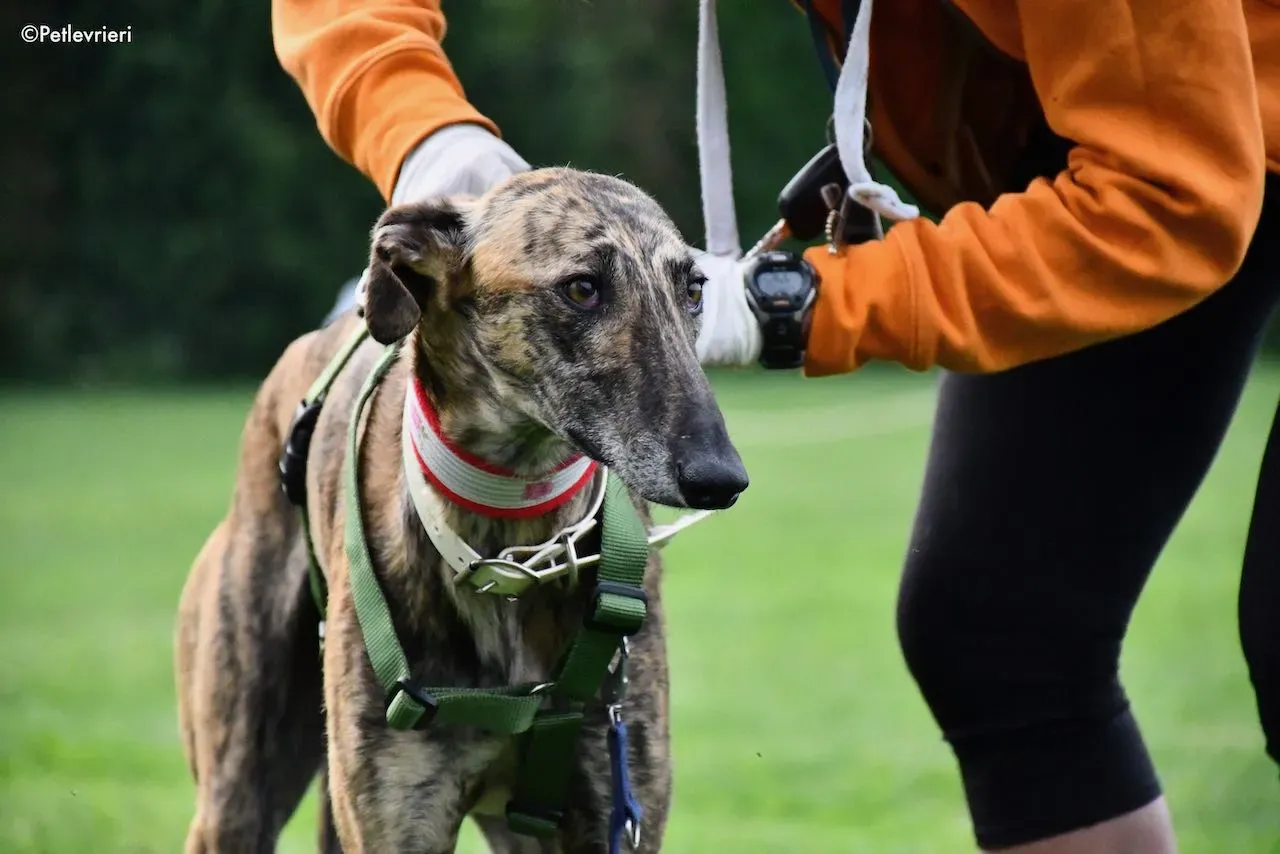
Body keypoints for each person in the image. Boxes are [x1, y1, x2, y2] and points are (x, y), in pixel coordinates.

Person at [271, 0, 1280, 850]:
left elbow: (1169, 191)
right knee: (995, 631)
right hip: (1074, 152)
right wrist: (421, 126)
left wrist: (808, 305)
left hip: (1184, 153)